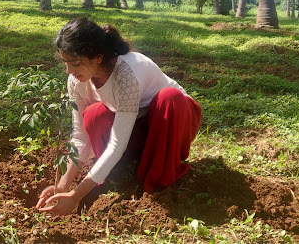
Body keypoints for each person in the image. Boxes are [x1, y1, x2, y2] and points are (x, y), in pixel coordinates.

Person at [36, 18, 201, 216]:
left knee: (169, 98)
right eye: (66, 62)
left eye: (75, 63)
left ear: (97, 57)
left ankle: (158, 176)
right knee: (94, 115)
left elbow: (117, 143)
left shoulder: (126, 74)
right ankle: (125, 168)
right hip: (136, 125)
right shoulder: (76, 81)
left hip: (172, 121)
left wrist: (77, 196)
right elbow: (80, 136)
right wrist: (63, 186)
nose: (69, 71)